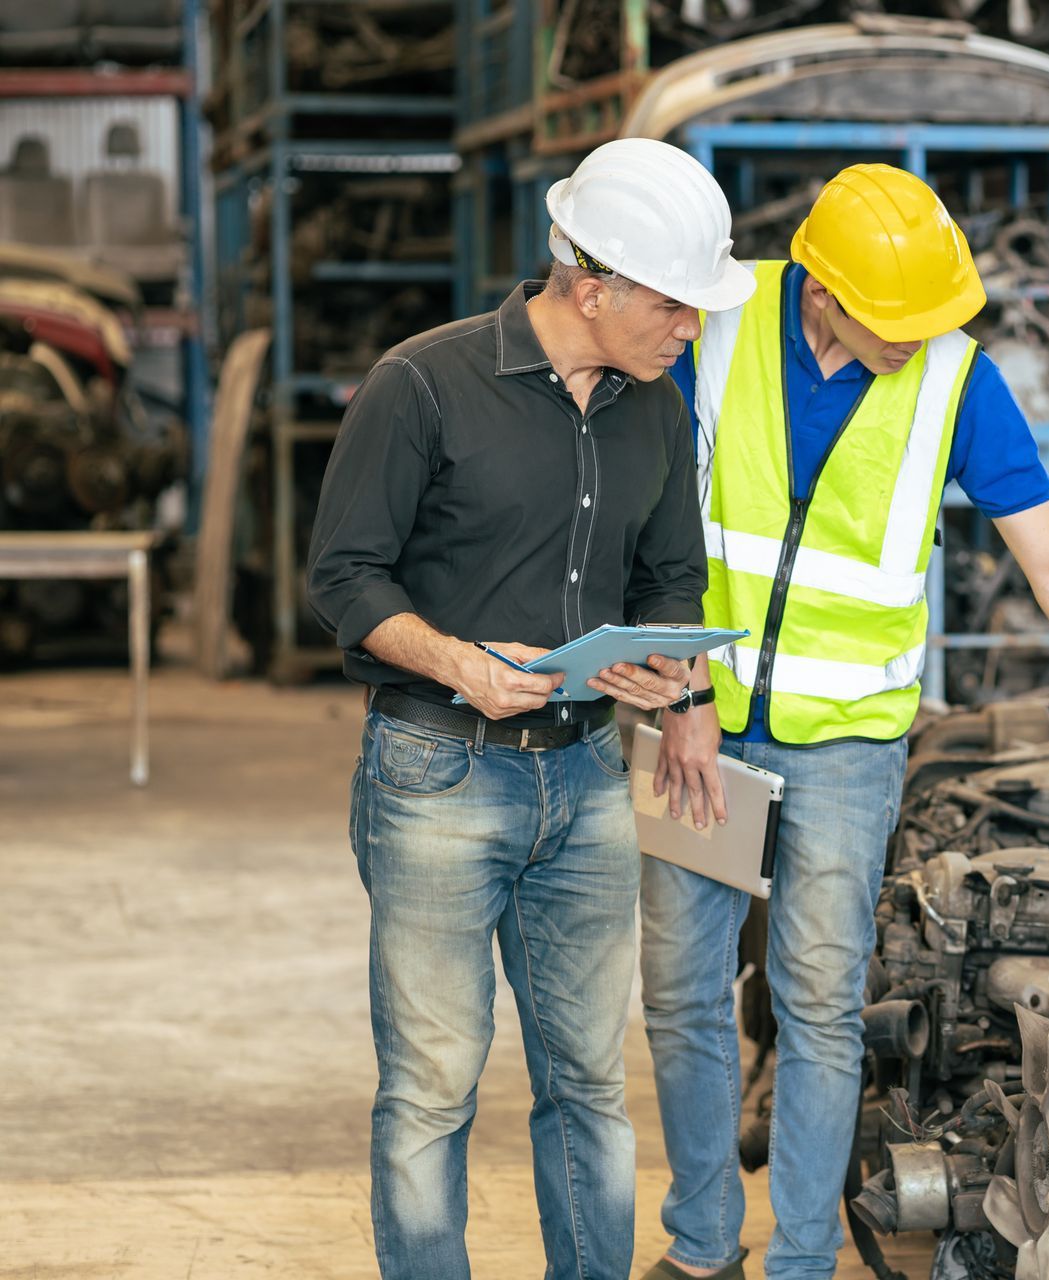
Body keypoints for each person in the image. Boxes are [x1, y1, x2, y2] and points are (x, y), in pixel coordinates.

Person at [640, 163, 1049, 1280]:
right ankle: (703, 1245)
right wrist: (679, 695)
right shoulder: (712, 330)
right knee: (680, 992)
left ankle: (803, 1261)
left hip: (852, 744)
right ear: (819, 290)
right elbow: (644, 519)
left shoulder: (958, 379)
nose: (918, 338)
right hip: (700, 722)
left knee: (818, 1006)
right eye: (895, 320)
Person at [305, 137, 755, 1280]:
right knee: (432, 1086)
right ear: (589, 283)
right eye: (673, 304)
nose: (688, 330)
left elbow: (669, 576)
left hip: (590, 777)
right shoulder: (423, 383)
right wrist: (457, 661)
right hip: (438, 775)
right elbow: (345, 578)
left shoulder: (654, 408)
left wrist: (674, 680)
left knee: (590, 1086)